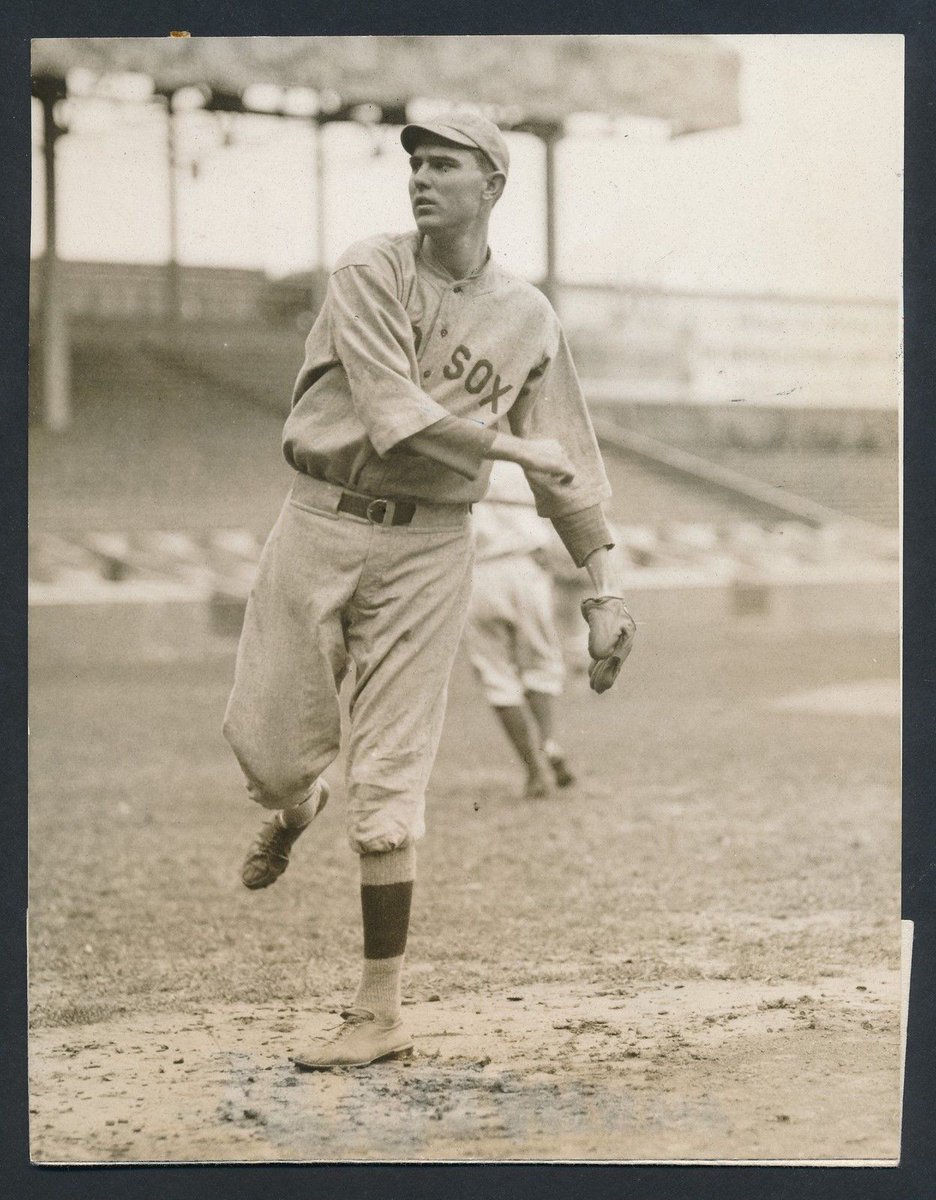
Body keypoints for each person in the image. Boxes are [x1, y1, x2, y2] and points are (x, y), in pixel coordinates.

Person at [222, 111, 635, 1070]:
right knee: (273, 757)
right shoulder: (372, 270)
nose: (420, 179)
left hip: (431, 548)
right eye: (414, 163)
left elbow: (567, 458)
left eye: (443, 164)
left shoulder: (528, 316)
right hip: (321, 519)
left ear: (492, 183)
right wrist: (506, 446)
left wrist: (605, 587)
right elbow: (393, 414)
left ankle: (379, 1010)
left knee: (393, 777)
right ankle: (292, 810)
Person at [465, 460, 576, 799]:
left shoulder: (455, 456)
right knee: (540, 665)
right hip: (523, 567)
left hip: (478, 575)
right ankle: (546, 747)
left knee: (496, 675)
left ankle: (534, 767)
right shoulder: (523, 458)